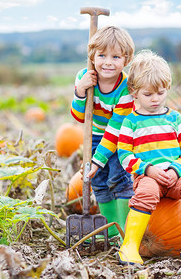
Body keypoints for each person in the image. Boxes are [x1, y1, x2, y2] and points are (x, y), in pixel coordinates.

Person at [117, 50, 181, 264]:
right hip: (147, 176)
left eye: (160, 93)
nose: (155, 99)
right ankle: (129, 245)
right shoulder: (131, 122)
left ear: (167, 88)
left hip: (176, 174)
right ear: (134, 92)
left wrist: (176, 169)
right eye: (148, 94)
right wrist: (148, 170)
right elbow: (124, 155)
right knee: (147, 192)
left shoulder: (175, 118)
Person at [70, 25, 135, 238]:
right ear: (92, 55)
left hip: (121, 138)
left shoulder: (126, 87)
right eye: (102, 55)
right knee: (97, 180)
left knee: (118, 178)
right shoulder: (84, 77)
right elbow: (79, 117)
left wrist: (99, 159)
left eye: (116, 56)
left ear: (126, 60)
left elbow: (116, 129)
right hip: (94, 136)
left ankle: (124, 230)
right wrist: (81, 90)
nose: (108, 62)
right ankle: (109, 227)